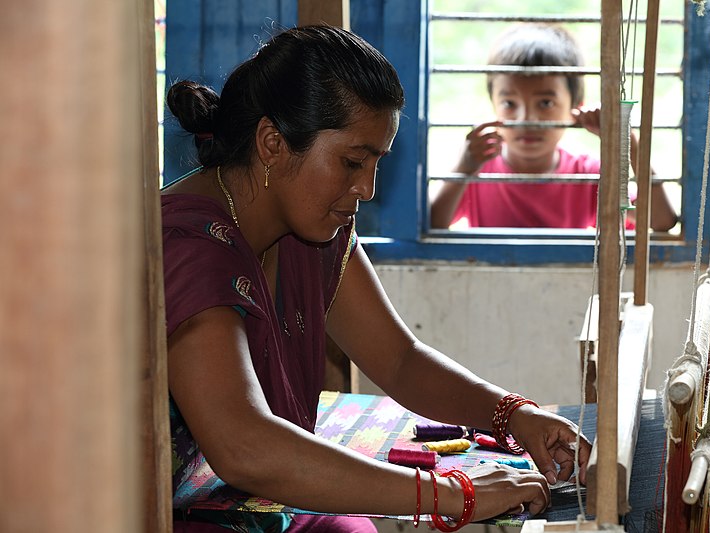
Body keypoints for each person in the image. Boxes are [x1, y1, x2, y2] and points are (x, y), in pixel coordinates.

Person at [163, 25, 592, 533]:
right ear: (272, 142)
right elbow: (245, 448)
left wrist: (514, 414)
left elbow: (400, 360)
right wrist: (451, 495)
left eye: (375, 163)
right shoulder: (192, 248)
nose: (365, 188)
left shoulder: (313, 230)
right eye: (351, 161)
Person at [429, 22, 678, 231]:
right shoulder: (478, 172)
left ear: (575, 108)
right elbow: (432, 223)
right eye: (509, 103)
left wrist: (628, 146)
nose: (527, 119)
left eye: (545, 103)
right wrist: (463, 167)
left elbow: (661, 221)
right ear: (493, 105)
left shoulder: (587, 174)